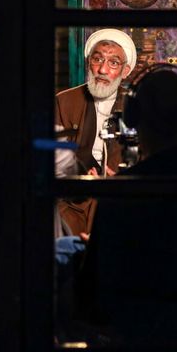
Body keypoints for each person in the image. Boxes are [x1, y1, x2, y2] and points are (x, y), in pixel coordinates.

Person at [73, 64, 177, 345]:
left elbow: (93, 292)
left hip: (135, 325)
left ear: (133, 116)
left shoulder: (123, 191)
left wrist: (98, 244)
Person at [55, 28, 138, 236]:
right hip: (72, 200)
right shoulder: (64, 101)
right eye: (97, 59)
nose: (102, 69)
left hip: (118, 198)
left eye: (113, 63)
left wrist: (120, 178)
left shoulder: (136, 106)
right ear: (88, 63)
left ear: (125, 71)